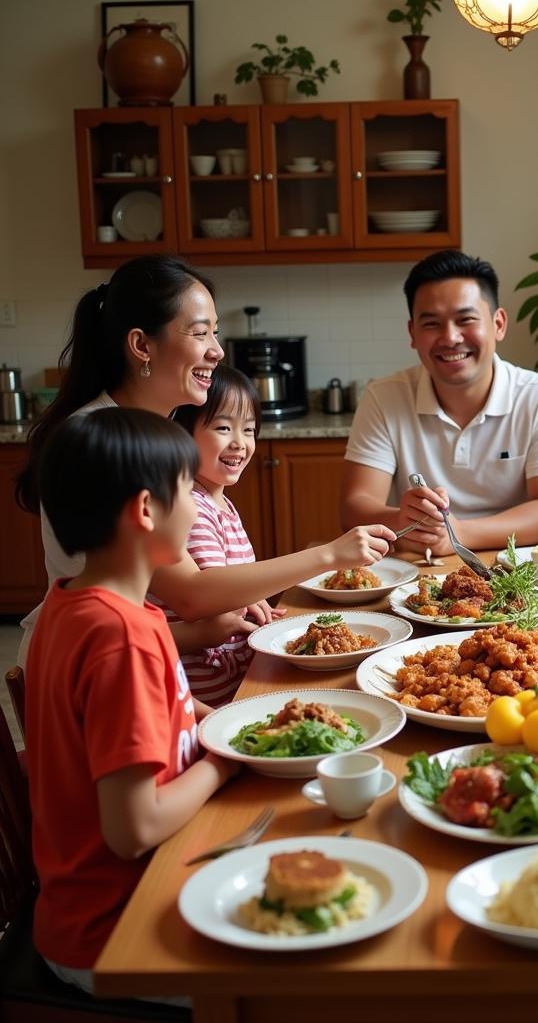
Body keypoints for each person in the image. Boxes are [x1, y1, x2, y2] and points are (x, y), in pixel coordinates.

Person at [16, 254, 394, 667]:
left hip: (147, 655)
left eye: (215, 333)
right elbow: (190, 594)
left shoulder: (159, 426)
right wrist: (330, 555)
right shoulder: (106, 442)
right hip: (93, 670)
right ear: (142, 345)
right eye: (200, 334)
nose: (216, 351)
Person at [24, 407, 237, 996]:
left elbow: (168, 707)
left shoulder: (77, 605)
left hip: (100, 906)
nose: (197, 507)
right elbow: (134, 828)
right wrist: (224, 762)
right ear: (146, 510)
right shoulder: (121, 636)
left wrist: (220, 722)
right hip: (116, 932)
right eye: (189, 490)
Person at [339, 249, 538, 555]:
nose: (450, 337)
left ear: (498, 324)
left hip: (517, 572)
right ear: (412, 333)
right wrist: (404, 520)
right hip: (419, 572)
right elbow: (354, 506)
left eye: (465, 319)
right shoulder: (384, 396)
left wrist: (458, 534)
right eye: (431, 324)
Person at [169, 366, 281, 706]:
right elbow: (215, 594)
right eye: (222, 427)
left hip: (235, 676)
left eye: (249, 430)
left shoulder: (222, 503)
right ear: (182, 435)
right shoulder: (192, 506)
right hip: (209, 692)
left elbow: (234, 591)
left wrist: (253, 604)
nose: (240, 443)